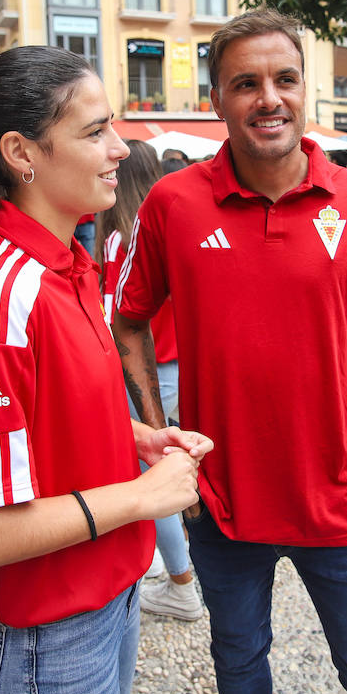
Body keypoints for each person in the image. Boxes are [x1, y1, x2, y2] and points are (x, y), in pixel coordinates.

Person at [0, 46, 211, 694]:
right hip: (44, 641)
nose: (120, 148)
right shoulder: (0, 294)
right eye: (95, 132)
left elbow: (49, 413)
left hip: (101, 601)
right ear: (21, 153)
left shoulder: (64, 262)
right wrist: (142, 498)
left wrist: (133, 438)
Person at [113, 10, 347, 694]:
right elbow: (128, 322)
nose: (268, 98)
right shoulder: (171, 203)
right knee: (241, 664)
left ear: (304, 87)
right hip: (221, 502)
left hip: (335, 498)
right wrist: (166, 447)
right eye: (245, 83)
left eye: (284, 79)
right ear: (217, 99)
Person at [98, 140, 204, 622]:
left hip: (142, 368)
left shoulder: (121, 237)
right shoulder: (172, 223)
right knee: (174, 460)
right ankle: (182, 562)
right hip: (177, 361)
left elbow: (115, 315)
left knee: (150, 473)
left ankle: (182, 582)